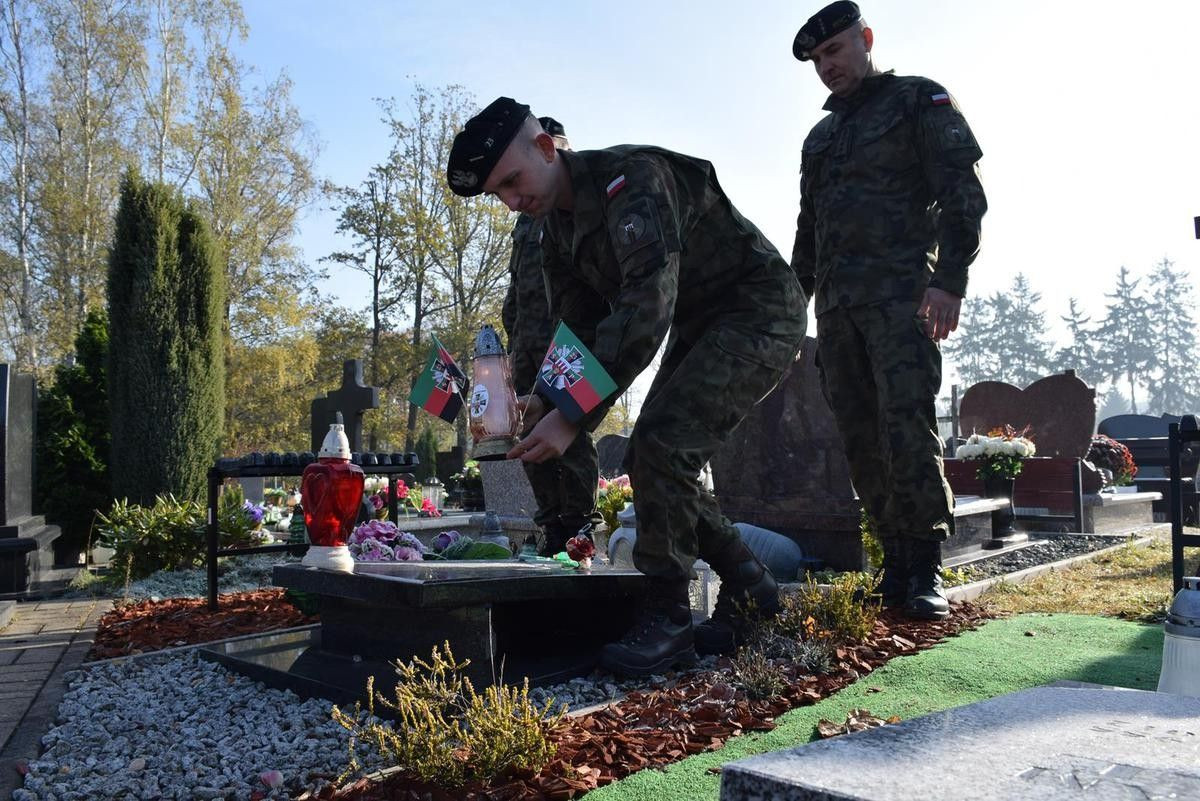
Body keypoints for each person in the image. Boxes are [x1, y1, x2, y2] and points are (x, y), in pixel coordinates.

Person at [447, 97, 807, 676]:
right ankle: (752, 586)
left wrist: (570, 416)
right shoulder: (554, 234)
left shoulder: (632, 180)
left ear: (546, 148)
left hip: (757, 309)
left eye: (514, 180)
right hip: (701, 322)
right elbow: (579, 330)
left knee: (664, 443)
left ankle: (668, 619)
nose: (514, 200)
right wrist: (543, 399)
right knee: (653, 455)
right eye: (500, 194)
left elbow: (647, 304)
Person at [791, 1, 987, 619]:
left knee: (906, 427)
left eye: (836, 51)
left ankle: (926, 565)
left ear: (866, 39)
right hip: (839, 313)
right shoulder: (819, 139)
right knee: (860, 436)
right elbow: (808, 230)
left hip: (904, 299)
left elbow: (964, 192)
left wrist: (949, 279)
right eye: (817, 60)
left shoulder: (917, 101)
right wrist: (791, 308)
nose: (827, 67)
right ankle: (893, 563)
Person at [499, 116, 603, 556]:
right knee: (527, 435)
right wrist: (509, 328)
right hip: (526, 344)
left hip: (566, 343)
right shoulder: (524, 222)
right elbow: (517, 281)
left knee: (570, 432)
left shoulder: (569, 204)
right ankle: (551, 525)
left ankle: (579, 527)